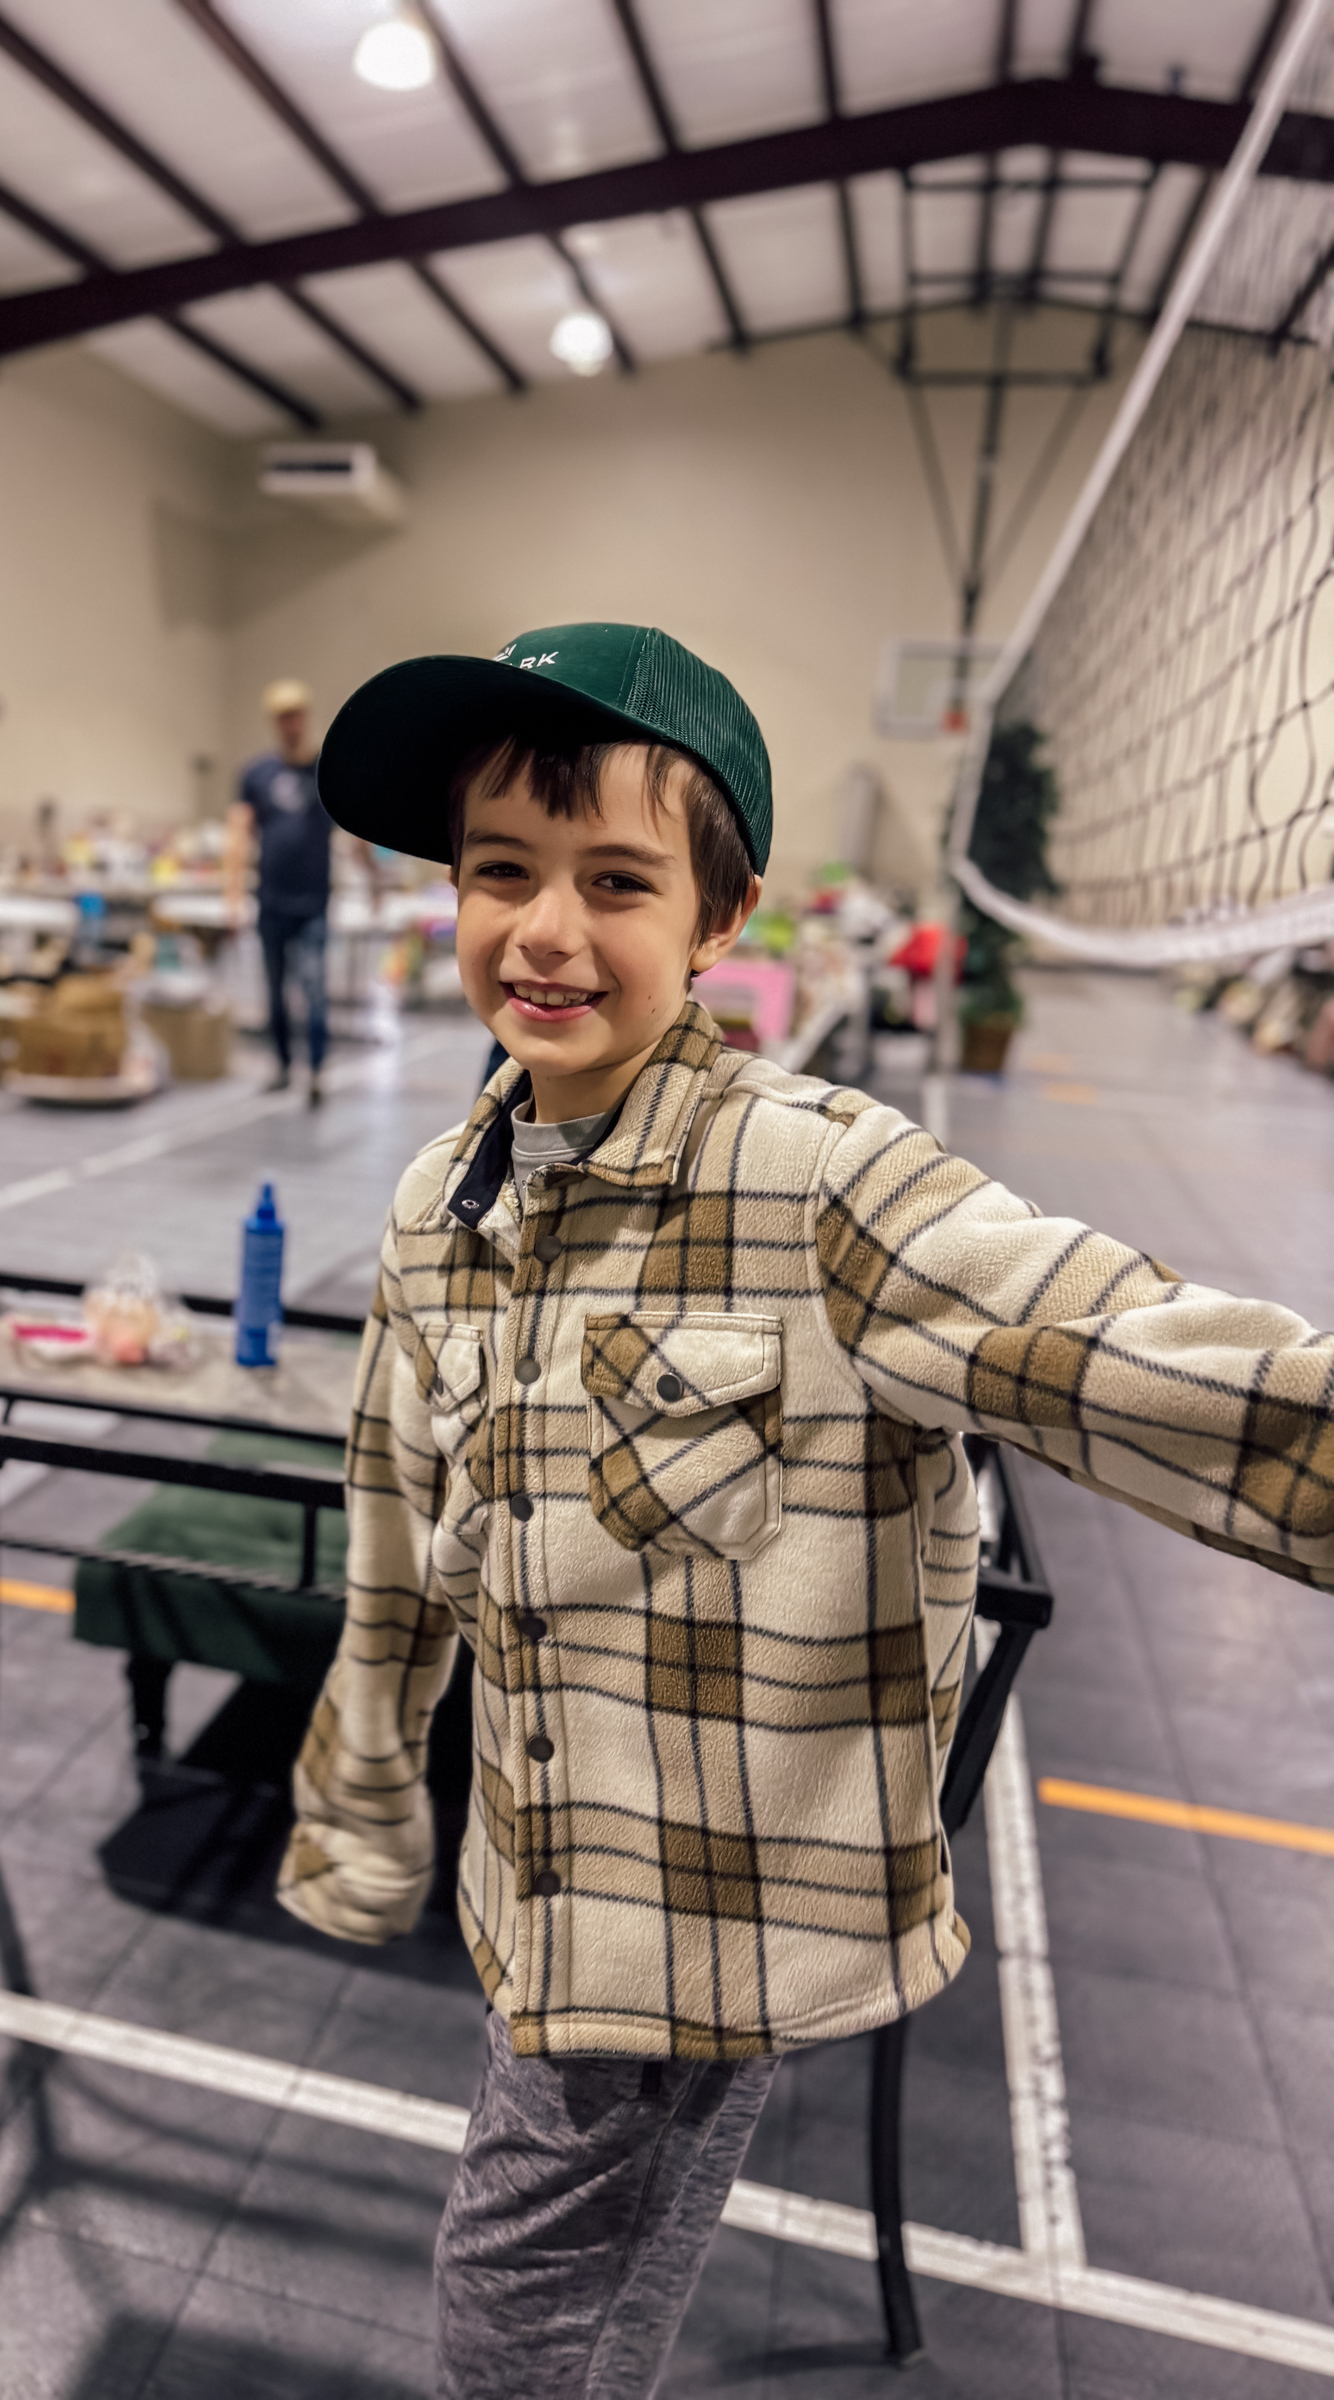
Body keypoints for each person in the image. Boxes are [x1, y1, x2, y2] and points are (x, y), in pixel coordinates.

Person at [279, 621, 1334, 2398]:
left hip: (698, 1931)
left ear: (722, 921)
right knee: (551, 2328)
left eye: (614, 881)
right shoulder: (435, 1206)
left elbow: (1130, 1357)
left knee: (511, 2327)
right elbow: (396, 1541)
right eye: (498, 872)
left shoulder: (823, 1181)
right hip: (531, 1890)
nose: (541, 931)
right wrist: (365, 1810)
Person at [227, 676, 333, 1108]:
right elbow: (239, 833)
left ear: (305, 717)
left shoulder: (325, 771)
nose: (291, 723)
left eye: (296, 714)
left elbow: (355, 829)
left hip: (314, 904)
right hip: (271, 902)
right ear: (275, 721)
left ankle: (317, 1073)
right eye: (282, 716)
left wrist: (376, 879)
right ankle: (283, 1066)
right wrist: (231, 891)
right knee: (274, 992)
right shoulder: (257, 774)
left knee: (313, 990)